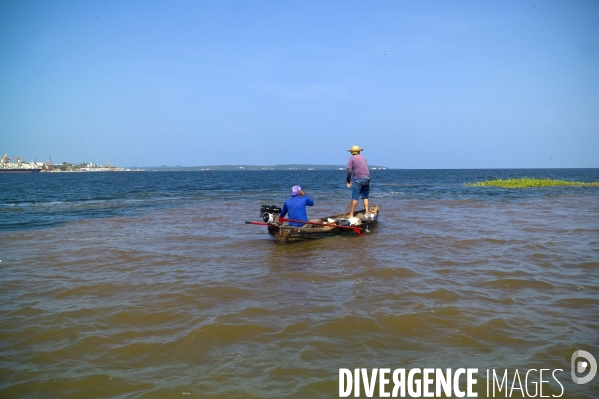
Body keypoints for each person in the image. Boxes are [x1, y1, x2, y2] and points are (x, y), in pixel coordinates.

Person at [346, 145, 370, 218]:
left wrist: (348, 180)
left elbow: (349, 171)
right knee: (365, 196)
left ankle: (351, 214)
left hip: (359, 179)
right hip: (367, 178)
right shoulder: (364, 158)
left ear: (352, 152)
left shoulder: (351, 159)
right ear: (359, 151)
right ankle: (367, 212)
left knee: (355, 197)